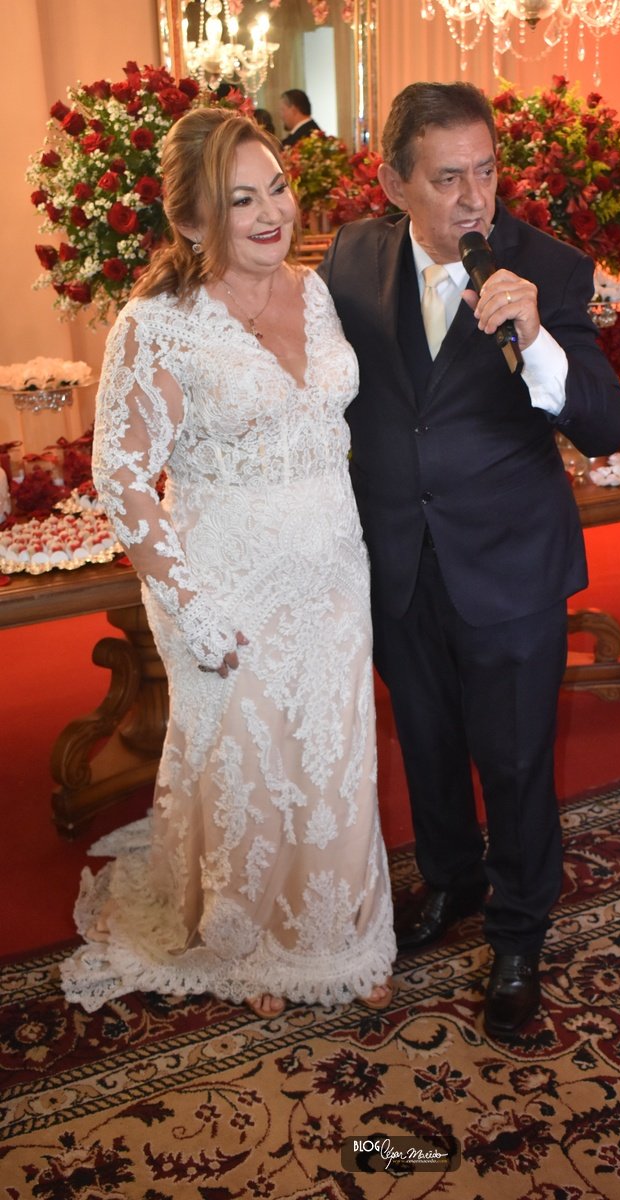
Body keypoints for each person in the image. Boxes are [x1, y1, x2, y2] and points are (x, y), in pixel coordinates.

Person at [60, 107, 395, 1018]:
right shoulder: (156, 324)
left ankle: (333, 931)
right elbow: (123, 476)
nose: (271, 212)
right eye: (240, 199)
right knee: (250, 762)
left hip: (332, 568)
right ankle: (248, 940)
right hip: (224, 582)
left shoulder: (316, 294)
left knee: (331, 752)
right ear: (191, 219)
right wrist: (189, 605)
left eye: (276, 188)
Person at [319, 81, 620, 1041]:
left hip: (509, 563)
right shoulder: (350, 255)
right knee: (426, 742)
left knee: (517, 758)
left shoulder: (549, 268)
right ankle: (451, 880)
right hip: (397, 558)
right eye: (447, 178)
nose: (474, 199)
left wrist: (536, 340)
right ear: (393, 184)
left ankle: (519, 932)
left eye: (486, 172)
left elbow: (606, 425)